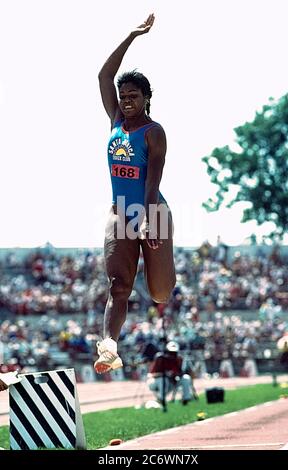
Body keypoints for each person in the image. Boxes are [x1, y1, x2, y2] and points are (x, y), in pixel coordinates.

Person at [94, 14, 176, 374]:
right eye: (123, 96)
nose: (126, 101)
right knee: (119, 284)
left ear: (145, 99)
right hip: (119, 211)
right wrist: (131, 36)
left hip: (152, 208)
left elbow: (152, 182)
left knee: (159, 292)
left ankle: (166, 272)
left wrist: (144, 221)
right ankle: (109, 346)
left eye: (133, 96)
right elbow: (103, 76)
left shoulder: (153, 132)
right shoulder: (115, 121)